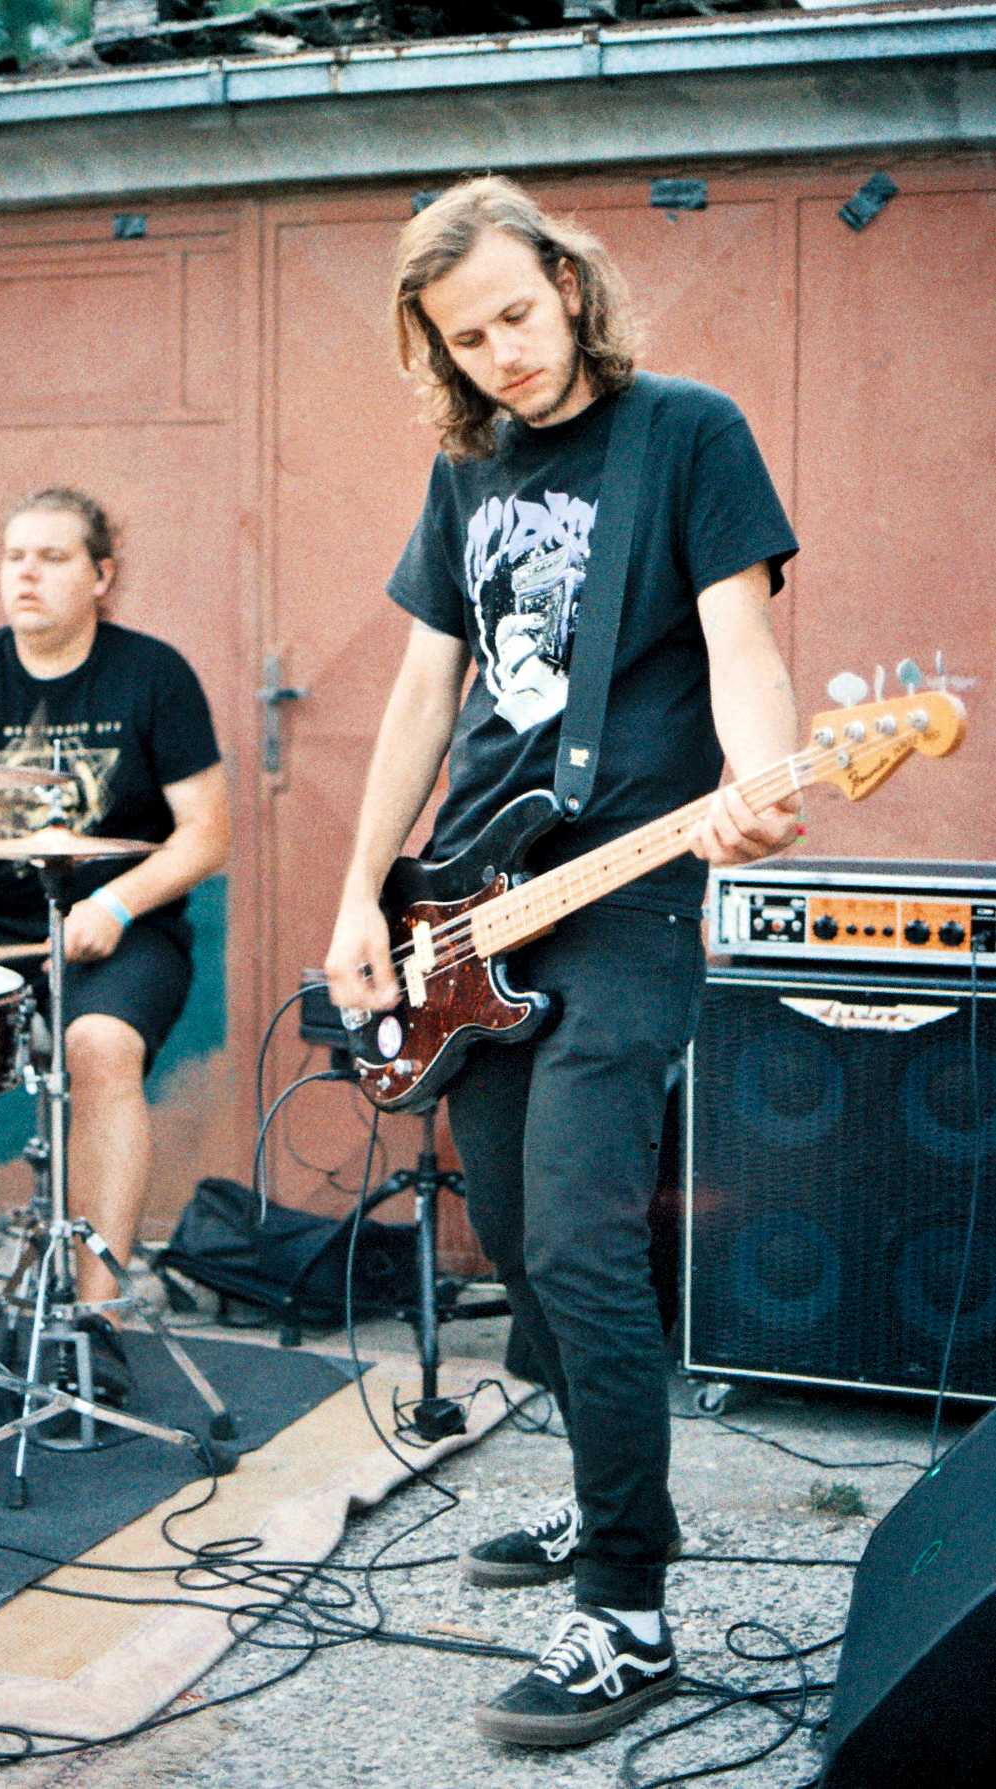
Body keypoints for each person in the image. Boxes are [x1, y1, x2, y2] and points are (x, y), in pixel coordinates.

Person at [323, 177, 802, 1750]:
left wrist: (764, 777)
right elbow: (423, 697)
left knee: (587, 1239)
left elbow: (740, 644)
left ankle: (627, 1611)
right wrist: (360, 899)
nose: (502, 354)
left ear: (572, 287)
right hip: (472, 907)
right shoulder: (466, 468)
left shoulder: (687, 434)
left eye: (517, 317)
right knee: (522, 1242)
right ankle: (602, 1486)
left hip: (629, 890)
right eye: (466, 340)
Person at [0, 486, 230, 1400]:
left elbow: (206, 833)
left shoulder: (153, 675)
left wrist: (115, 903)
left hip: (120, 930)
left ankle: (94, 1318)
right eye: (13, 556)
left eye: (51, 557)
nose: (25, 574)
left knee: (99, 1047)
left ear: (101, 575)